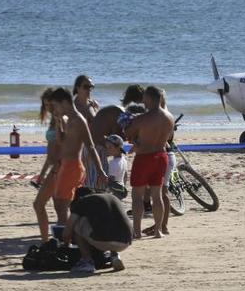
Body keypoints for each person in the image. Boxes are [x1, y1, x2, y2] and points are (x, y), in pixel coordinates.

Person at [48, 88, 108, 223]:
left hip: (73, 166)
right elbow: (62, 142)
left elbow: (91, 146)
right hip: (65, 165)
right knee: (58, 202)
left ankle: (65, 235)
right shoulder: (67, 119)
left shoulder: (79, 120)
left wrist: (100, 171)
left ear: (64, 102)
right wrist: (58, 123)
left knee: (62, 204)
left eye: (56, 105)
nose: (55, 109)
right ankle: (67, 231)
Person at [125, 86, 173, 238]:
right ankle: (158, 230)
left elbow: (128, 133)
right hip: (161, 156)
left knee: (137, 195)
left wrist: (134, 137)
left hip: (144, 157)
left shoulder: (143, 118)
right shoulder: (169, 117)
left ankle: (137, 231)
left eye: (145, 98)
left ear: (151, 98)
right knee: (157, 195)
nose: (143, 102)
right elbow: (168, 137)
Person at [64, 187, 132, 274]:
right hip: (126, 240)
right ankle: (114, 256)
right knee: (108, 221)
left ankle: (87, 262)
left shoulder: (82, 201)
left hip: (104, 241)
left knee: (77, 224)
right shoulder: (112, 197)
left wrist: (66, 244)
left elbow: (67, 232)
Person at [33, 88, 68, 242]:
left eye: (51, 105)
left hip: (61, 167)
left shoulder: (62, 119)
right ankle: (59, 241)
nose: (48, 108)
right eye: (46, 105)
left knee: (39, 204)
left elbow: (65, 146)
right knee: (59, 208)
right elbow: (50, 155)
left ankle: (47, 242)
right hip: (56, 166)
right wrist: (41, 175)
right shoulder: (55, 120)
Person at [73, 75, 101, 188]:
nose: (89, 89)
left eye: (91, 86)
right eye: (86, 86)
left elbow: (98, 124)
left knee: (94, 182)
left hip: (94, 146)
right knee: (83, 183)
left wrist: (97, 109)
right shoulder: (74, 107)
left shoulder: (92, 104)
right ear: (78, 88)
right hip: (81, 148)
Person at [104, 134, 128, 199]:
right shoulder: (124, 159)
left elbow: (111, 181)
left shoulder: (113, 163)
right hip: (121, 189)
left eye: (110, 147)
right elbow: (125, 176)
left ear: (118, 148)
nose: (107, 150)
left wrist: (107, 193)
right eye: (106, 147)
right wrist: (123, 187)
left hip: (113, 193)